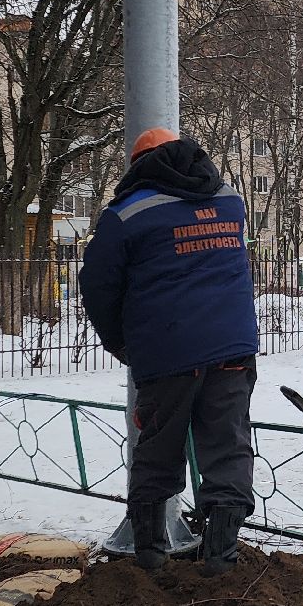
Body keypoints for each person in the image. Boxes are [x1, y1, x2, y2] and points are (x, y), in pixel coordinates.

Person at [80, 128, 260, 577]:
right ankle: (221, 555)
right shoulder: (230, 202)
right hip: (233, 349)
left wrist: (120, 342)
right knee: (228, 445)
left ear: (139, 166)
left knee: (159, 446)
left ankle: (149, 555)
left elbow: (98, 287)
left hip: (168, 353)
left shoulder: (126, 215)